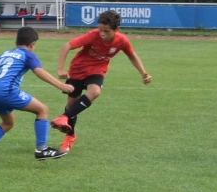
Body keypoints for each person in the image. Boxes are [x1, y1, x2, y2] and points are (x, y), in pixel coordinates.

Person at [52, 9, 152, 153]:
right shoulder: (93, 35)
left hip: (97, 71)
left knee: (95, 91)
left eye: (106, 31)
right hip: (78, 70)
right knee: (71, 105)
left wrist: (144, 73)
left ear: (116, 29)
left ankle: (64, 118)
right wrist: (60, 68)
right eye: (100, 30)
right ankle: (70, 135)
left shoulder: (122, 41)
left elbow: (132, 55)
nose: (102, 34)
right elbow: (67, 46)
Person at [0, 26, 72, 162]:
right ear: (32, 44)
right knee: (42, 110)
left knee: (8, 122)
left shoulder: (7, 53)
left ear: (16, 42)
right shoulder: (28, 54)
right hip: (6, 91)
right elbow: (39, 71)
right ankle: (41, 149)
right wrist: (61, 85)